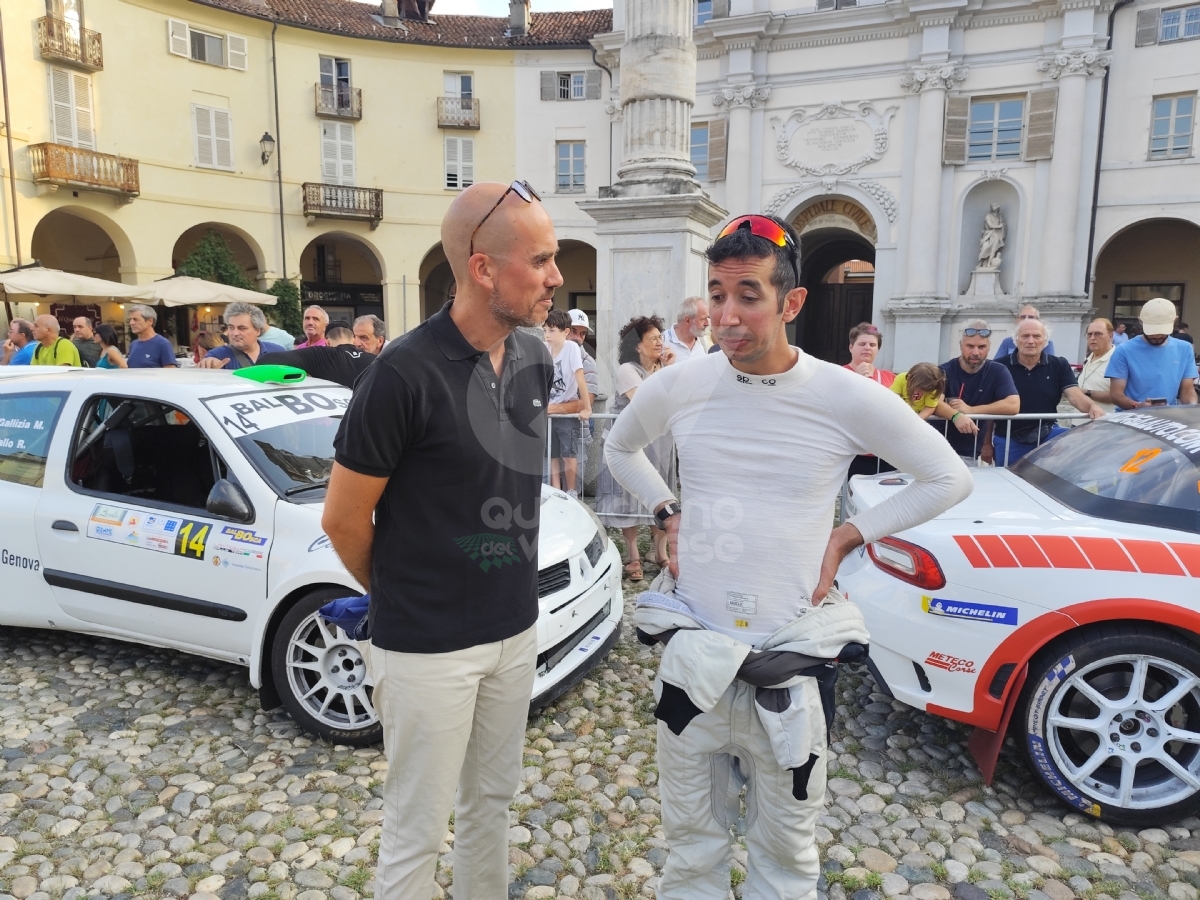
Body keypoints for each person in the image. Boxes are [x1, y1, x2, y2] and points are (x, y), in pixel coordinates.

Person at [605, 213, 972, 900]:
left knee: (787, 859)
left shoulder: (843, 394)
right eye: (716, 294)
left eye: (748, 294)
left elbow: (948, 477)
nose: (727, 315)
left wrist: (847, 537)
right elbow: (617, 447)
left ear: (792, 302)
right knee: (690, 852)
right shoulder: (682, 383)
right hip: (697, 660)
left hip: (792, 663)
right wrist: (665, 510)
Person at [322, 180, 559, 900]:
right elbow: (342, 518)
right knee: (415, 830)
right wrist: (403, 593)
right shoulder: (400, 373)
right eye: (541, 260)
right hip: (426, 647)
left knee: (491, 804)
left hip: (514, 631)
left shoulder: (534, 359)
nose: (556, 276)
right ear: (484, 269)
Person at [595, 316, 675, 582]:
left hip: (660, 445)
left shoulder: (662, 368)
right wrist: (669, 373)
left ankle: (659, 552)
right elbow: (645, 402)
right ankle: (633, 556)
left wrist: (670, 369)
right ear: (637, 345)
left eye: (660, 338)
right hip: (630, 447)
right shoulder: (627, 371)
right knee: (626, 498)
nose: (659, 343)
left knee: (661, 495)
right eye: (652, 339)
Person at [993, 319, 1104, 464]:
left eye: (1037, 336)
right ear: (1016, 340)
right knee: (1007, 482)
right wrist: (986, 443)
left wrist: (1092, 407)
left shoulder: (1059, 365)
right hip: (1009, 437)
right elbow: (990, 403)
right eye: (1025, 336)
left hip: (1047, 435)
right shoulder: (999, 366)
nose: (1031, 341)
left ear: (1045, 341)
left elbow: (1075, 396)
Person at [940, 320, 1020, 462]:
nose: (975, 352)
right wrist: (956, 416)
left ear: (989, 347)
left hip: (969, 451)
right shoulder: (944, 370)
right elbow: (934, 403)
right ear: (960, 345)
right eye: (970, 346)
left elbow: (1013, 405)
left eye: (981, 347)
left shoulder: (998, 371)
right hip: (937, 447)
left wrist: (971, 410)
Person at [1107, 297, 1198, 408]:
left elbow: (1188, 390)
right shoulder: (1124, 350)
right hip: (1130, 417)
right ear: (1141, 322)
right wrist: (1137, 405)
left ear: (1175, 321)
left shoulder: (1184, 348)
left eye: (1162, 331)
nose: (1157, 336)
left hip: (1168, 417)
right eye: (1152, 331)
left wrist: (1192, 408)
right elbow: (1116, 395)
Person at [543, 308, 591, 497]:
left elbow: (580, 378)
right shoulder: (544, 348)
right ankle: (556, 490)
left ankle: (571, 491)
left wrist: (587, 408)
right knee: (552, 454)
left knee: (568, 454)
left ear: (565, 332)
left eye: (552, 331)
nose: (547, 335)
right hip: (549, 411)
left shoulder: (571, 348)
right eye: (545, 330)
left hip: (565, 410)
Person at [260, 323, 375, 388]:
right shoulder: (375, 360)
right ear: (354, 340)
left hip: (333, 421)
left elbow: (267, 360)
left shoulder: (321, 355)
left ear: (327, 342)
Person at [197, 303, 285, 370]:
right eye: (231, 327)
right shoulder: (218, 355)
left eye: (242, 328)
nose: (235, 333)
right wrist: (208, 363)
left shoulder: (278, 352)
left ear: (257, 331)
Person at [1074, 318, 1117, 421]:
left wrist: (1086, 392)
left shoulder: (1118, 359)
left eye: (1098, 334)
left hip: (1102, 426)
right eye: (1089, 334)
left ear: (1110, 336)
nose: (1092, 338)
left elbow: (1117, 395)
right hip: (1078, 421)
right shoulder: (1089, 356)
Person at [844, 322, 894, 387]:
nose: (867, 348)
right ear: (851, 347)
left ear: (878, 349)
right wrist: (856, 379)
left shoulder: (889, 377)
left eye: (872, 345)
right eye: (862, 344)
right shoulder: (839, 373)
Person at [566, 309, 599, 407]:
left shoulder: (588, 363)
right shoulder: (548, 355)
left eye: (583, 333)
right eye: (573, 331)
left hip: (575, 421)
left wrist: (549, 409)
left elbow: (586, 403)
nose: (578, 338)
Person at [662, 296, 710, 361]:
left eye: (708, 318)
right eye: (703, 319)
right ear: (687, 320)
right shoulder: (663, 341)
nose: (707, 323)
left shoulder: (703, 341)